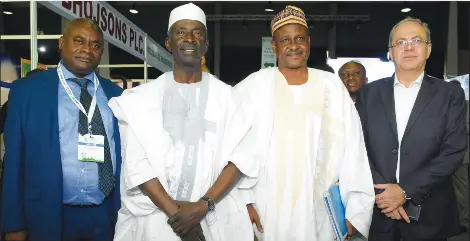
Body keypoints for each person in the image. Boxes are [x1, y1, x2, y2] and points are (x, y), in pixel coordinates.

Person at [109, 3, 256, 241]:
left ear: (206, 45)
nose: (189, 38)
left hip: (213, 217)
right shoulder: (140, 100)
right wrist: (180, 219)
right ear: (168, 43)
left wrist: (200, 207)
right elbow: (137, 167)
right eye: (180, 32)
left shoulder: (231, 99)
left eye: (197, 33)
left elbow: (241, 159)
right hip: (157, 221)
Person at [234, 5, 375, 241]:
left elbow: (354, 149)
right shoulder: (252, 87)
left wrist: (356, 209)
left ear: (309, 42)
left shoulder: (331, 86)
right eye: (285, 39)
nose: (294, 46)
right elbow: (233, 149)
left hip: (318, 208)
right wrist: (243, 204)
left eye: (300, 38)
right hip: (265, 207)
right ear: (274, 46)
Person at [1, 18, 123, 241]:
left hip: (107, 214)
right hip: (46, 214)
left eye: (95, 45)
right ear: (61, 42)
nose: (87, 49)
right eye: (79, 41)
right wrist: (13, 223)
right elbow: (13, 162)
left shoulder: (116, 94)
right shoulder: (27, 92)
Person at [355, 17, 468, 241]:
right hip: (380, 209)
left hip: (430, 215)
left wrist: (405, 190)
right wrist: (385, 195)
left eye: (417, 40)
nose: (409, 47)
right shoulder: (369, 94)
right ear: (391, 51)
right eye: (401, 42)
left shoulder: (449, 95)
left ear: (428, 49)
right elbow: (357, 145)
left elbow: (453, 150)